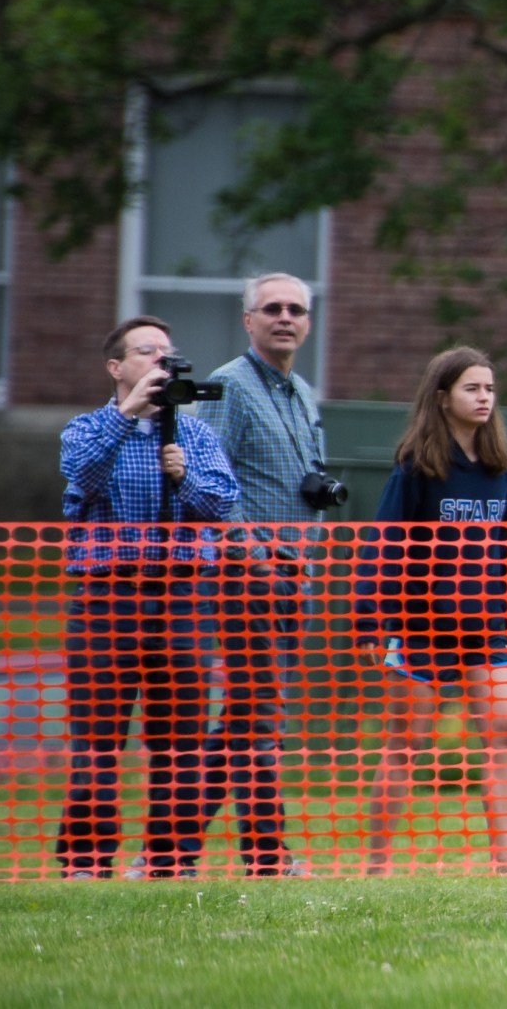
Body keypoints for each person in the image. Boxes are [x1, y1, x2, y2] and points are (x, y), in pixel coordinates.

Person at [55, 316, 240, 878]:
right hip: (109, 598)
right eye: (146, 352)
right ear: (117, 367)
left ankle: (169, 858)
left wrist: (184, 478)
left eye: (168, 353)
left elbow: (220, 505)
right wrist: (127, 414)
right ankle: (86, 859)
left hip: (181, 599)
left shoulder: (197, 436)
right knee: (98, 736)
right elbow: (80, 479)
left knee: (180, 738)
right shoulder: (85, 428)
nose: (161, 361)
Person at [355, 346, 507, 874]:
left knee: (505, 732)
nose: (484, 398)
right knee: (405, 744)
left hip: (488, 632)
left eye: (489, 389)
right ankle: (378, 866)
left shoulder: (502, 471)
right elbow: (382, 544)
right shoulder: (416, 469)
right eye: (472, 389)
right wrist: (370, 617)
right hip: (420, 631)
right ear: (443, 397)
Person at [180, 273, 330, 877]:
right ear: (249, 321)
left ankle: (168, 850)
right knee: (261, 715)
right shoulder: (227, 386)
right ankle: (268, 855)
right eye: (272, 309)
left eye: (296, 309)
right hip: (249, 575)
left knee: (245, 715)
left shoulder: (305, 393)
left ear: (309, 322)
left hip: (296, 573)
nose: (285, 317)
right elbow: (209, 482)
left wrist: (306, 557)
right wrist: (252, 555)